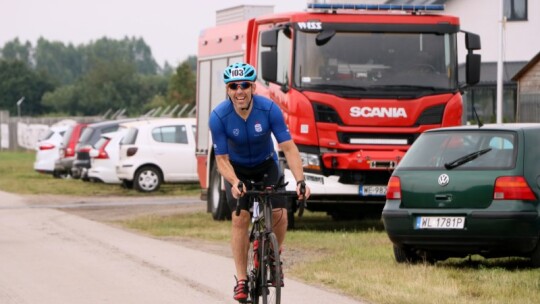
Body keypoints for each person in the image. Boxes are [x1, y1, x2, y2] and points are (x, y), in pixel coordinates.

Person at [209, 62, 311, 302]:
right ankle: (242, 279)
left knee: (280, 213)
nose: (239, 91)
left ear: (253, 87)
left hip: (266, 165)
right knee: (240, 218)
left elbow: (288, 147)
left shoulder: (269, 110)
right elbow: (221, 160)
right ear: (228, 90)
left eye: (245, 85)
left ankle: (274, 257)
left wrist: (300, 181)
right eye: (234, 86)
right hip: (237, 169)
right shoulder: (219, 117)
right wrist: (234, 181)